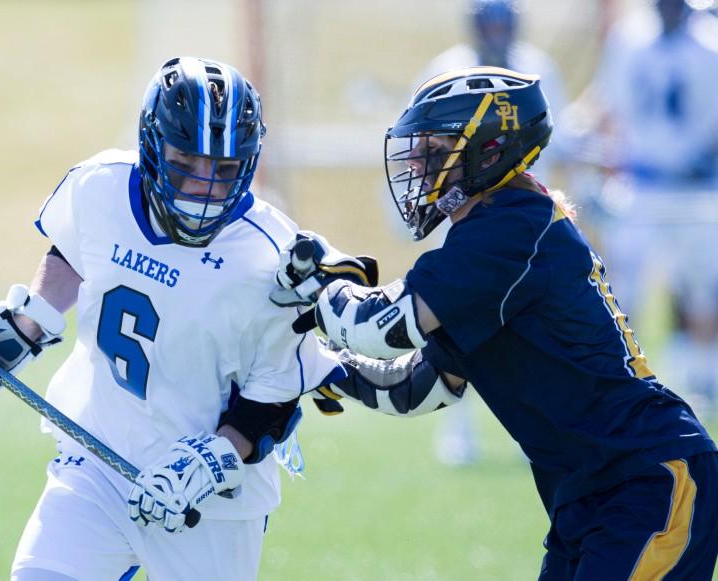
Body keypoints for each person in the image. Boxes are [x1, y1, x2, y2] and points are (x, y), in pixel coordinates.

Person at [273, 67, 718, 578]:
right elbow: (418, 387)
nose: (419, 167)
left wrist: (316, 273)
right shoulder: (490, 238)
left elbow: (378, 328)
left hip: (646, 478)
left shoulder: (510, 226)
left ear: (490, 151)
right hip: (592, 490)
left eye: (436, 151)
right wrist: (323, 368)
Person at [0, 57, 363, 581]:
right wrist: (28, 322)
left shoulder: (271, 257)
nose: (205, 186)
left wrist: (214, 460)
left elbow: (275, 394)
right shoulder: (101, 187)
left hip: (210, 499)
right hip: (97, 457)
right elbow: (76, 251)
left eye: (225, 168)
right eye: (188, 161)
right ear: (151, 144)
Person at [413, 0, 567, 466]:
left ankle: (533, 426)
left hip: (518, 210)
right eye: (489, 24)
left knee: (524, 327)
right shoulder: (446, 67)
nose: (496, 33)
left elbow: (549, 141)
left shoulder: (537, 70)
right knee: (456, 323)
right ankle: (458, 428)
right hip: (463, 209)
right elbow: (426, 149)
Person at [569, 0, 718, 418]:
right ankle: (625, 375)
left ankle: (702, 383)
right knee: (621, 286)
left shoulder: (709, 46)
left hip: (696, 184)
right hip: (641, 182)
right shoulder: (630, 39)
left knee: (703, 288)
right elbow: (608, 99)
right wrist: (581, 129)